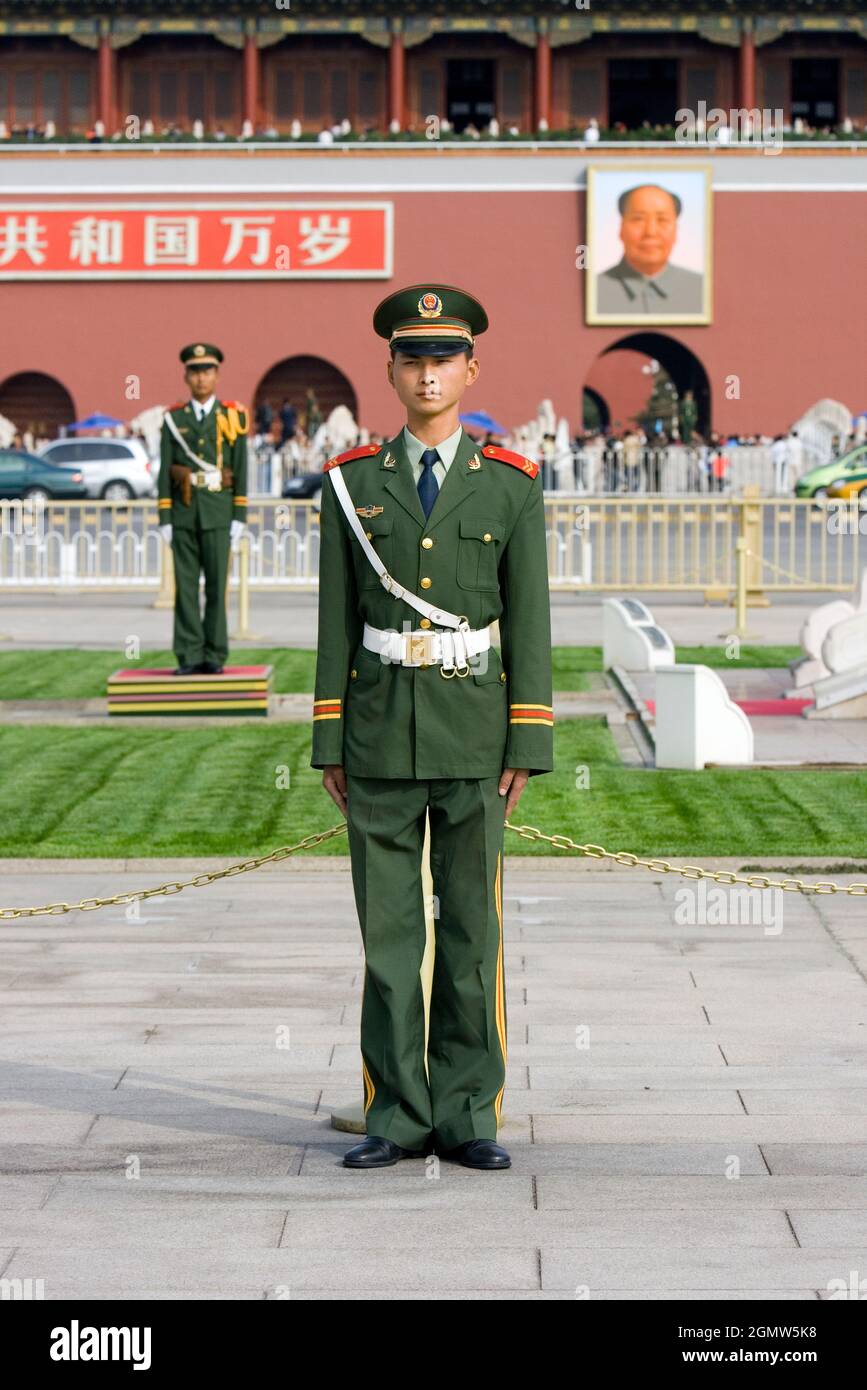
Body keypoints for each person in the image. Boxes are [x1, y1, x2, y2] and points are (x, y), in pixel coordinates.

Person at [310, 283, 554, 1171]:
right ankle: (396, 1114)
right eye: (411, 358)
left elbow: (530, 622)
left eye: (443, 358)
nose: (427, 373)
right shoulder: (348, 486)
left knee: (469, 940)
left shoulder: (513, 487)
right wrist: (328, 738)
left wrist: (527, 739)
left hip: (476, 739)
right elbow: (335, 621)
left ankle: (465, 1114)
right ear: (391, 370)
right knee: (388, 941)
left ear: (469, 369)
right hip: (376, 734)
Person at [157, 342, 249, 675]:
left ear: (217, 375)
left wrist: (239, 513)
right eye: (195, 372)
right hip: (183, 511)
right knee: (185, 588)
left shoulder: (232, 416)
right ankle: (188, 654)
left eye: (207, 371)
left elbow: (240, 466)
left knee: (215, 586)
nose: (201, 378)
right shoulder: (173, 419)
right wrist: (164, 516)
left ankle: (215, 653)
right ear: (185, 376)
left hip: (218, 511)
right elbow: (164, 469)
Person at [596, 184, 704, 315]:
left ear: (676, 231)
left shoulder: (702, 290)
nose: (650, 232)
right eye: (638, 219)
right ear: (621, 229)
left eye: (662, 220)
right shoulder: (594, 292)